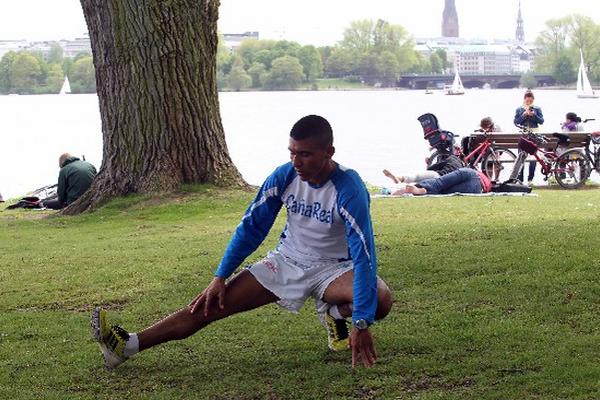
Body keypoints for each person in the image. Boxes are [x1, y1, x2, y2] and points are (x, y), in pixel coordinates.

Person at [91, 115, 393, 370]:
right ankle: (127, 345)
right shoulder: (284, 176)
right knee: (209, 307)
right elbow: (252, 227)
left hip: (335, 269)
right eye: (292, 152)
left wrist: (362, 322)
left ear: (329, 151)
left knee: (379, 299)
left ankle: (335, 313)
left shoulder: (349, 187)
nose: (296, 161)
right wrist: (220, 277)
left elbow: (364, 253)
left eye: (305, 154)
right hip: (287, 261)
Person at [514, 90, 544, 184]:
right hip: (523, 134)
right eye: (527, 101)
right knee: (521, 157)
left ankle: (530, 179)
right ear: (524, 99)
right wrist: (523, 115)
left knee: (533, 157)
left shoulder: (537, 109)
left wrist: (534, 115)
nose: (529, 102)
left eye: (531, 101)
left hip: (534, 134)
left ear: (533, 100)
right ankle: (520, 179)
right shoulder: (519, 109)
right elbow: (516, 122)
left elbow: (541, 121)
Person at [392, 167, 492, 196]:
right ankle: (420, 190)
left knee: (439, 184)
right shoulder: (488, 183)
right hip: (477, 188)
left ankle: (419, 188)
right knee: (444, 191)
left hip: (468, 173)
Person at [382, 153, 463, 185]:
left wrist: (429, 165)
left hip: (437, 175)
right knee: (418, 186)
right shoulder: (463, 168)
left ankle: (399, 178)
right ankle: (410, 188)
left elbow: (435, 167)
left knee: (415, 177)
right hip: (444, 182)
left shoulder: (451, 158)